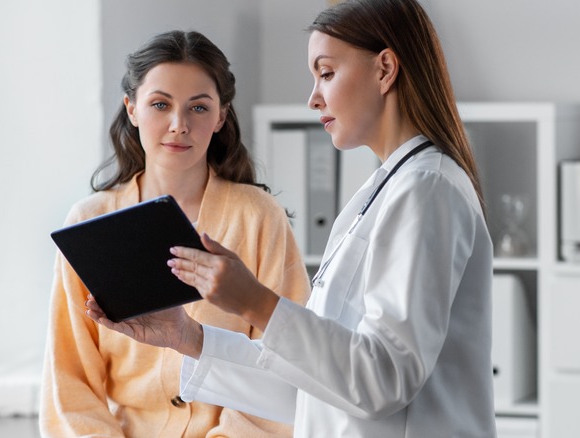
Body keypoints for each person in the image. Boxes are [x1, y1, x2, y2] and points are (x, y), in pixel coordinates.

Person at [87, 0, 496, 436]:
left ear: (385, 69)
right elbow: (313, 389)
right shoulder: (384, 190)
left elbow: (383, 381)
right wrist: (187, 337)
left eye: (326, 73)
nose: (313, 97)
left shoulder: (426, 189)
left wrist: (255, 302)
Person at [41, 30, 311, 437]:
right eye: (160, 104)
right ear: (132, 109)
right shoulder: (87, 224)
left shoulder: (259, 218)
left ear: (221, 116)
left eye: (199, 108)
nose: (179, 125)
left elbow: (289, 362)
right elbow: (69, 383)